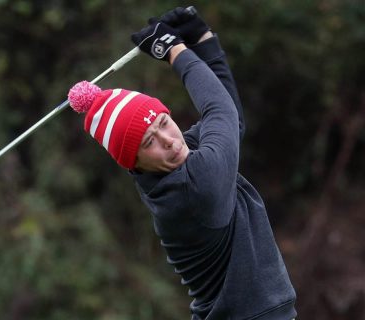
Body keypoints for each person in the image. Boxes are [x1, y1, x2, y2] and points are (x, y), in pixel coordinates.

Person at [68, 7, 297, 320]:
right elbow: (221, 114)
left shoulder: (177, 163)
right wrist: (173, 50)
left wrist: (202, 41)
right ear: (133, 162)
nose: (169, 140)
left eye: (163, 122)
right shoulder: (193, 187)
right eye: (150, 142)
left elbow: (230, 118)